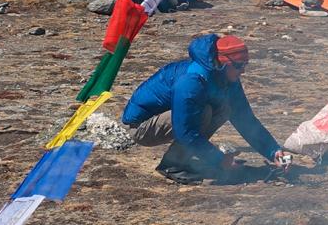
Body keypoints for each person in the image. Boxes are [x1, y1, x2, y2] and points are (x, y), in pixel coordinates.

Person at [120, 34, 291, 181]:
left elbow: (245, 118)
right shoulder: (192, 81)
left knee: (225, 108)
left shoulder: (227, 78)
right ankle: (172, 165)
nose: (243, 71)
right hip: (140, 127)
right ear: (224, 63)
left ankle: (183, 158)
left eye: (245, 64)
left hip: (171, 118)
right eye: (239, 66)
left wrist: (273, 151)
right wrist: (219, 160)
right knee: (203, 113)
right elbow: (185, 131)